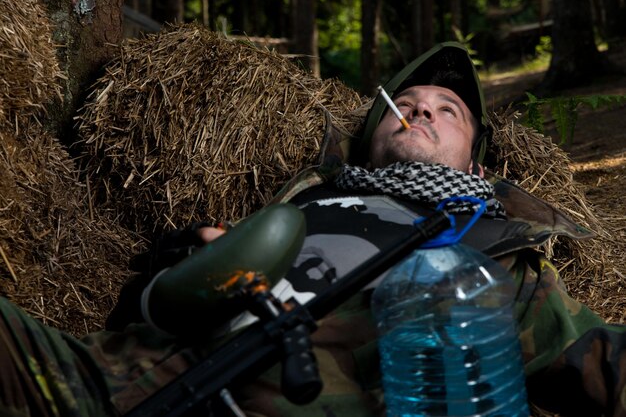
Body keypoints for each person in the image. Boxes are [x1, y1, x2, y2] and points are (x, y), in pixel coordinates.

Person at [0, 42, 624, 417]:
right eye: (403, 105)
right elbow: (146, 303)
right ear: (370, 135)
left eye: (447, 110)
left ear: (477, 164)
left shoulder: (492, 256)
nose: (422, 110)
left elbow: (606, 366)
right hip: (96, 379)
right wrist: (175, 269)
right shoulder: (306, 202)